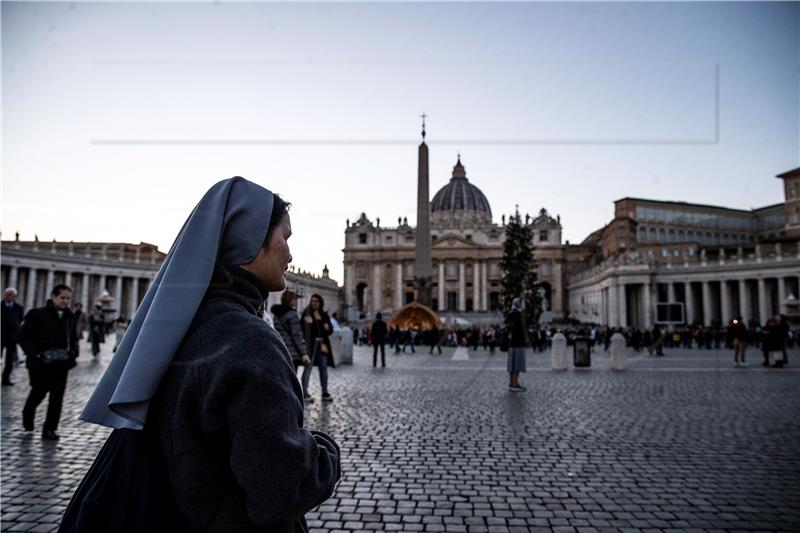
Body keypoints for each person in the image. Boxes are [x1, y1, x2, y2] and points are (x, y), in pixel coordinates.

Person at [61, 178, 340, 533]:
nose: (289, 254)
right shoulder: (249, 340)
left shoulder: (181, 325)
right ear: (250, 240)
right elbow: (284, 488)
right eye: (284, 237)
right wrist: (327, 450)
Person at [18, 284, 79, 440]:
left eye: (68, 298)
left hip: (61, 364)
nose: (65, 301)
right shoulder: (37, 314)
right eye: (62, 298)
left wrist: (73, 354)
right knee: (38, 392)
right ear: (53, 297)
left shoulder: (69, 317)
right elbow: (23, 337)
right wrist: (36, 354)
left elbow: (73, 338)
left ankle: (50, 429)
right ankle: (28, 412)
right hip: (40, 364)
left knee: (57, 397)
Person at [301, 293, 336, 402]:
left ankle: (325, 392)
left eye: (316, 301)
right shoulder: (306, 313)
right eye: (312, 301)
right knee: (308, 367)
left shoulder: (324, 315)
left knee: (323, 367)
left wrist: (327, 327)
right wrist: (308, 324)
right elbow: (303, 329)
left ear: (320, 303)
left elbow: (330, 330)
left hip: (322, 345)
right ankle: (305, 392)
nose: (314, 303)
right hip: (311, 345)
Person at [271, 289, 311, 377]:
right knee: (292, 378)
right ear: (290, 300)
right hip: (292, 352)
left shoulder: (276, 313)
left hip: (280, 348)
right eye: (295, 299)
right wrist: (304, 353)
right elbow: (296, 335)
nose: (296, 301)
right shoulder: (292, 315)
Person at [2, 287, 24, 385]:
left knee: (9, 360)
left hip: (12, 336)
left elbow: (20, 320)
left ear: (15, 296)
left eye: (11, 294)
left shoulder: (19, 308)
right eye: (7, 294)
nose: (8, 296)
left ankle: (6, 379)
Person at [506, 297, 528, 392]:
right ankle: (515, 384)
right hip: (518, 342)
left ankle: (512, 383)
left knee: (512, 364)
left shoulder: (510, 314)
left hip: (511, 343)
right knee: (517, 364)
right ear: (519, 305)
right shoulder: (520, 315)